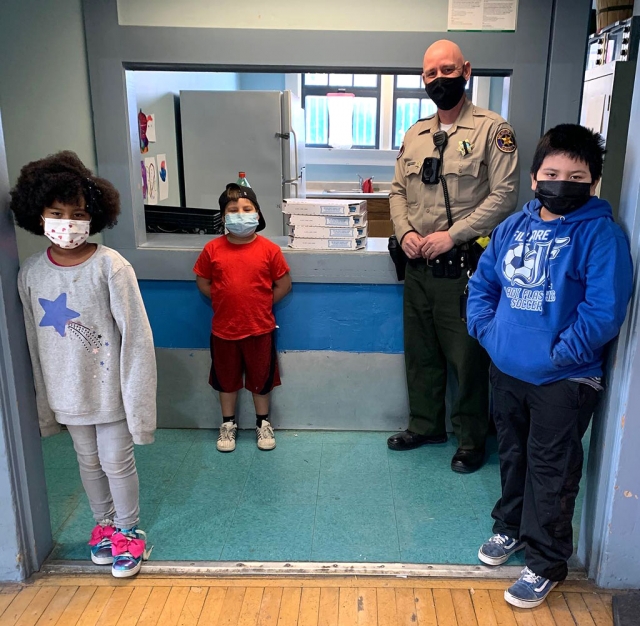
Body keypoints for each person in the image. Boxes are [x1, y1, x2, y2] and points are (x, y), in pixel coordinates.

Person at [467, 124, 633, 608]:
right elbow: (484, 285)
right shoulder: (511, 228)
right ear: (535, 178)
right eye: (552, 172)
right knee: (514, 453)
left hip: (565, 377)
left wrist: (560, 353)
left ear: (592, 183)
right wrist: (488, 332)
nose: (563, 182)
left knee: (552, 468)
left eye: (576, 175)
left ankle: (546, 562)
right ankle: (511, 526)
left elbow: (604, 311)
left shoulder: (602, 235)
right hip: (508, 368)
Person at [12, 151, 157, 578]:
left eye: (77, 214)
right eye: (57, 213)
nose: (67, 223)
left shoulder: (111, 267)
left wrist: (139, 406)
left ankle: (130, 531)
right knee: (88, 462)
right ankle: (105, 525)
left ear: (93, 217)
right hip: (66, 392)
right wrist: (44, 405)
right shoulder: (31, 273)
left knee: (116, 461)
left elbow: (136, 339)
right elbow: (32, 346)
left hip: (109, 391)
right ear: (39, 215)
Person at [387, 39, 520, 473]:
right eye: (430, 74)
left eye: (447, 70)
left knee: (467, 357)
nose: (439, 80)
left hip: (466, 267)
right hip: (418, 267)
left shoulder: (492, 129)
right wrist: (404, 231)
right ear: (422, 79)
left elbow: (504, 196)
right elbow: (397, 192)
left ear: (465, 70)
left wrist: (453, 235)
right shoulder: (415, 133)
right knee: (420, 352)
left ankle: (470, 438)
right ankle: (425, 424)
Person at [194, 183, 292, 453]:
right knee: (226, 380)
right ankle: (228, 424)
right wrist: (224, 301)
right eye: (233, 210)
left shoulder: (269, 250)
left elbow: (283, 285)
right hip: (224, 331)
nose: (240, 214)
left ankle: (263, 423)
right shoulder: (212, 249)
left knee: (261, 381)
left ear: (258, 215)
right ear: (223, 217)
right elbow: (203, 282)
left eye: (246, 209)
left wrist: (259, 304)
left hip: (259, 330)